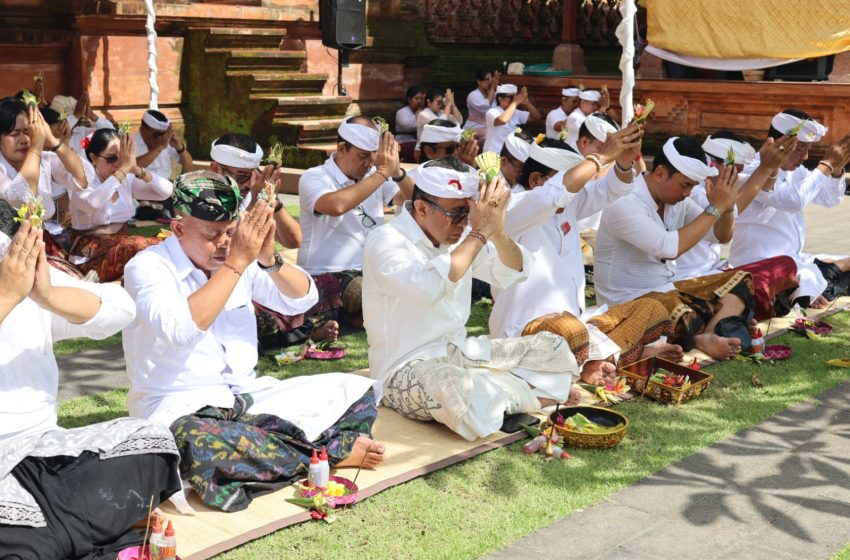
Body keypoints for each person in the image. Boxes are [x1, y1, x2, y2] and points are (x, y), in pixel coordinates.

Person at [122, 172, 385, 512]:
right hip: (181, 409)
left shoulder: (239, 260)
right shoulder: (147, 268)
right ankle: (329, 450)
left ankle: (292, 452)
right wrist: (236, 263)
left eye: (231, 232)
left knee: (353, 390)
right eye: (213, 234)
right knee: (195, 444)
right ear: (178, 229)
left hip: (249, 400)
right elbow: (181, 329)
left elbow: (302, 299)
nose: (225, 243)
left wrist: (269, 259)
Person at [0, 201, 181, 559]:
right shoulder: (9, 289)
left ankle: (53, 533)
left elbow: (121, 310)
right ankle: (85, 529)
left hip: (46, 453)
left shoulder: (23, 284)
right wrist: (5, 296)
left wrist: (48, 295)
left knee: (152, 442)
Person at [363, 157, 581, 441]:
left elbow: (514, 270)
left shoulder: (462, 237)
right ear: (421, 207)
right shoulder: (386, 240)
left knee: (552, 347)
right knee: (452, 388)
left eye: (468, 213)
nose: (463, 223)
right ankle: (529, 394)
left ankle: (505, 393)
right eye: (455, 214)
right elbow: (429, 288)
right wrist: (478, 233)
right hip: (403, 369)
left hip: (461, 354)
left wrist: (497, 231)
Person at [493, 126, 676, 368]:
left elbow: (609, 189)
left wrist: (622, 162)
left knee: (651, 308)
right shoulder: (516, 208)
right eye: (571, 180)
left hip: (576, 324)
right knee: (569, 330)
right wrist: (600, 158)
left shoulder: (569, 205)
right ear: (537, 180)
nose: (577, 188)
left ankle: (598, 358)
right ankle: (605, 359)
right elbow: (552, 195)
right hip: (527, 330)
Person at [595, 137, 757, 361]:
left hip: (667, 293)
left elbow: (720, 236)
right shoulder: (624, 202)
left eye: (692, 186)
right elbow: (669, 248)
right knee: (673, 310)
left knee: (741, 281)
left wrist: (727, 208)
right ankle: (715, 327)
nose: (688, 193)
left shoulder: (676, 200)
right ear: (660, 173)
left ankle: (706, 334)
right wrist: (715, 207)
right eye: (685, 185)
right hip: (629, 304)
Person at [208, 132, 338, 349]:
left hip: (261, 277)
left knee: (324, 288)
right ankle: (306, 330)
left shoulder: (252, 191)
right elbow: (231, 243)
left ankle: (302, 325)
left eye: (253, 176)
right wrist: (257, 201)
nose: (249, 184)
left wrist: (271, 200)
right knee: (258, 318)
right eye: (241, 176)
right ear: (215, 170)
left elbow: (294, 239)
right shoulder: (201, 197)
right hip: (224, 283)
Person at [297, 116, 414, 327]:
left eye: (373, 157)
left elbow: (415, 200)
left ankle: (353, 317)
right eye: (362, 156)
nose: (368, 163)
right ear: (341, 149)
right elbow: (335, 206)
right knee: (367, 294)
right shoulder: (314, 176)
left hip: (372, 269)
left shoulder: (374, 174)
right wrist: (381, 174)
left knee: (411, 284)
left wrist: (397, 172)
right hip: (328, 274)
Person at [675, 131, 800, 320]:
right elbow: (730, 212)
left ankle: (732, 313)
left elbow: (762, 188)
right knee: (752, 286)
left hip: (717, 273)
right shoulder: (692, 192)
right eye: (737, 171)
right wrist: (765, 168)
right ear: (715, 165)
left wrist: (772, 167)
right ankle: (723, 320)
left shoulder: (712, 189)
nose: (739, 178)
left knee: (785, 264)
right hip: (690, 280)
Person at [730, 110, 850, 308]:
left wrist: (836, 169)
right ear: (774, 143)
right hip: (759, 267)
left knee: (822, 274)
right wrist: (826, 163)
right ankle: (817, 285)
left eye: (808, 148)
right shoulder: (754, 172)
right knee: (818, 276)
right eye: (800, 148)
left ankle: (820, 283)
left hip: (794, 261)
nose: (806, 156)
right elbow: (793, 200)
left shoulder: (796, 170)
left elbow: (829, 199)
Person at [68, 128, 173, 282]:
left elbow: (166, 191)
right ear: (93, 158)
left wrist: (136, 168)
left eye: (121, 158)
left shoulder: (125, 180)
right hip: (89, 256)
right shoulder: (82, 181)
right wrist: (123, 169)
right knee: (138, 245)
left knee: (166, 244)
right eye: (111, 158)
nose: (117, 164)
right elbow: (93, 203)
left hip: (122, 247)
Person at [0, 97, 87, 220]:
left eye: (28, 132)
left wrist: (53, 141)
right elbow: (23, 199)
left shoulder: (44, 159)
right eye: (15, 134)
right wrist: (35, 148)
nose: (24, 140)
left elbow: (82, 178)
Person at [50, 92, 115, 159]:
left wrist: (92, 116)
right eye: (69, 118)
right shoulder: (52, 137)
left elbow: (110, 134)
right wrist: (75, 116)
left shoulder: (82, 135)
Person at [134, 109, 193, 181]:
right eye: (157, 134)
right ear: (143, 129)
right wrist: (159, 148)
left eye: (163, 134)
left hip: (166, 183)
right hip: (142, 186)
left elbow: (189, 164)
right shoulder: (131, 142)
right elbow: (133, 166)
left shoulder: (165, 140)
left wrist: (178, 146)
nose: (160, 138)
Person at [483, 84, 541, 155]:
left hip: (508, 154)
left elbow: (537, 117)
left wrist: (527, 103)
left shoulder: (515, 112)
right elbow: (502, 120)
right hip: (492, 154)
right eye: (510, 97)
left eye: (514, 97)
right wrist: (515, 102)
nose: (513, 99)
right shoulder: (492, 112)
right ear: (500, 99)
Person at [463, 69, 499, 141]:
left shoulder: (493, 94)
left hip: (489, 128)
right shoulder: (473, 95)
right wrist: (492, 88)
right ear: (479, 81)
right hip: (473, 129)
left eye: (491, 80)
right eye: (487, 80)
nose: (490, 82)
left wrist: (495, 87)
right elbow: (486, 108)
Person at [395, 85, 424, 162]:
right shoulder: (401, 112)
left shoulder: (424, 112)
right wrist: (419, 113)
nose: (419, 101)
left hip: (418, 141)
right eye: (417, 98)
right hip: (404, 141)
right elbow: (408, 126)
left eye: (421, 99)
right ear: (409, 99)